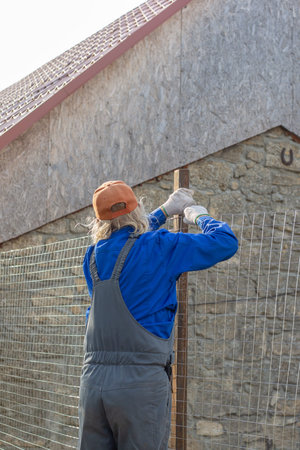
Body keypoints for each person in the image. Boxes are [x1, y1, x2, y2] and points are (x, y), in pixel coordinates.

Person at [78, 180, 238, 450]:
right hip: (139, 386)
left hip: (93, 387)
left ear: (98, 220)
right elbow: (224, 242)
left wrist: (164, 211)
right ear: (137, 208)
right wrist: (198, 214)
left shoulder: (93, 256)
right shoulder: (159, 246)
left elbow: (125, 239)